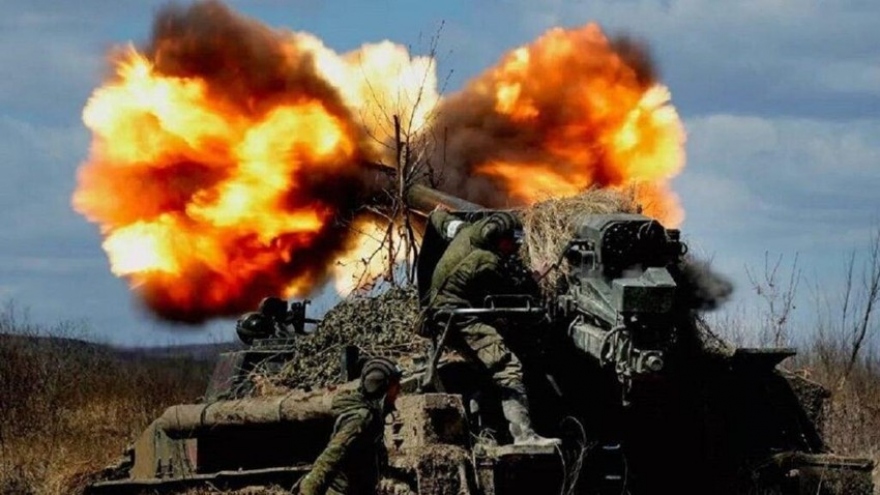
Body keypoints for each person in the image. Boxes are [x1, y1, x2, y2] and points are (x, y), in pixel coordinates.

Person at [426, 208, 560, 448]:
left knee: (484, 371)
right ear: (500, 240)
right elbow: (512, 293)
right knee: (507, 367)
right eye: (513, 241)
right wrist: (535, 278)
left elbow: (444, 222)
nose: (516, 246)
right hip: (460, 319)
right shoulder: (488, 262)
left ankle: (485, 429)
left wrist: (437, 212)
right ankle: (524, 436)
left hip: (440, 312)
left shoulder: (466, 232)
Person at [298, 357, 403, 495]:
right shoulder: (361, 419)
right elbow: (329, 458)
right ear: (382, 387)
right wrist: (308, 490)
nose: (399, 389)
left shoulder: (373, 413)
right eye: (395, 385)